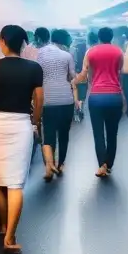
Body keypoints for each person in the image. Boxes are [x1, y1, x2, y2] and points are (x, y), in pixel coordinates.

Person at [0, 25, 44, 254]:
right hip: (20, 125)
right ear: (23, 43)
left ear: (3, 41)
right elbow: (39, 99)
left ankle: (3, 225)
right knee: (15, 183)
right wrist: (35, 121)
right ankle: (10, 236)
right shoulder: (34, 68)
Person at [76, 27, 126, 177]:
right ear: (111, 37)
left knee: (98, 133)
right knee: (112, 133)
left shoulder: (91, 52)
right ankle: (109, 165)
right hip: (114, 96)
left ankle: (102, 165)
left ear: (98, 37)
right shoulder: (118, 52)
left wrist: (75, 81)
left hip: (96, 96)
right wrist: (123, 97)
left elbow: (85, 75)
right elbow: (119, 74)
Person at [37, 29, 76, 180]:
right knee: (64, 134)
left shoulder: (40, 54)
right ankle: (61, 164)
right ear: (63, 41)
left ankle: (49, 166)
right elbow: (72, 77)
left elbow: (38, 76)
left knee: (49, 133)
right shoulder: (67, 55)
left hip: (48, 100)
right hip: (66, 100)